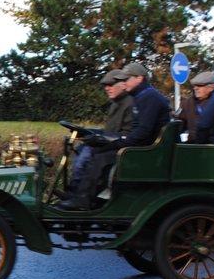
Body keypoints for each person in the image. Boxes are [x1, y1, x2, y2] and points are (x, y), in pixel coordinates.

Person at [58, 62, 171, 210]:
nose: (123, 83)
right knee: (98, 151)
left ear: (139, 78)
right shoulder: (144, 96)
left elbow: (142, 132)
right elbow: (140, 131)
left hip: (145, 150)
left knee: (101, 156)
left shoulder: (148, 97)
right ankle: (79, 194)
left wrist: (118, 143)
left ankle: (83, 200)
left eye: (126, 79)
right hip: (144, 146)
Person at [60, 68, 134, 200]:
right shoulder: (115, 104)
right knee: (81, 149)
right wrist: (86, 131)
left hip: (121, 146)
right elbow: (108, 130)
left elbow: (126, 133)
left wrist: (101, 138)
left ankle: (78, 195)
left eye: (111, 85)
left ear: (122, 85)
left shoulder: (129, 103)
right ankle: (74, 190)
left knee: (88, 152)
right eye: (106, 86)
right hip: (113, 142)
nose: (107, 88)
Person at [175, 70, 214, 141]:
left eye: (200, 85)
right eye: (194, 86)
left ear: (212, 87)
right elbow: (178, 124)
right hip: (193, 145)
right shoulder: (187, 103)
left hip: (213, 144)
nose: (195, 88)